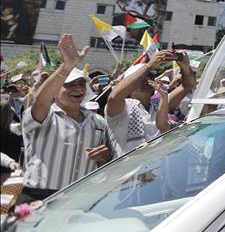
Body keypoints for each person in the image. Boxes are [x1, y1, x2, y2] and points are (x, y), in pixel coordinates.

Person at [19, 35, 115, 202]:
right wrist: (66, 67)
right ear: (54, 91)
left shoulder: (98, 121)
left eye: (81, 83)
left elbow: (106, 161)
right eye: (69, 84)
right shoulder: (45, 116)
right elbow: (40, 101)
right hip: (38, 199)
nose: (77, 88)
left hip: (80, 198)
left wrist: (105, 157)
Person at [106, 51, 176, 154]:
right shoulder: (123, 107)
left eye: (150, 76)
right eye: (143, 77)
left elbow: (187, 85)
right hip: (127, 169)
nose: (147, 79)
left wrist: (186, 67)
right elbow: (113, 98)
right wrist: (148, 66)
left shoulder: (159, 104)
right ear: (131, 84)